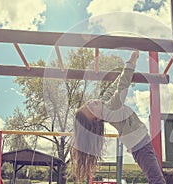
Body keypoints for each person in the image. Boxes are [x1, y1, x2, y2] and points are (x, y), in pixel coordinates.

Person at [70, 51, 166, 184]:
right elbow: (122, 85)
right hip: (140, 144)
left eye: (88, 103)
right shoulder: (112, 107)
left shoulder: (104, 105)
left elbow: (113, 87)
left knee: (156, 172)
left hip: (140, 142)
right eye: (91, 108)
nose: (91, 103)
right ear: (97, 118)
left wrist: (123, 72)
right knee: (156, 179)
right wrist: (131, 62)